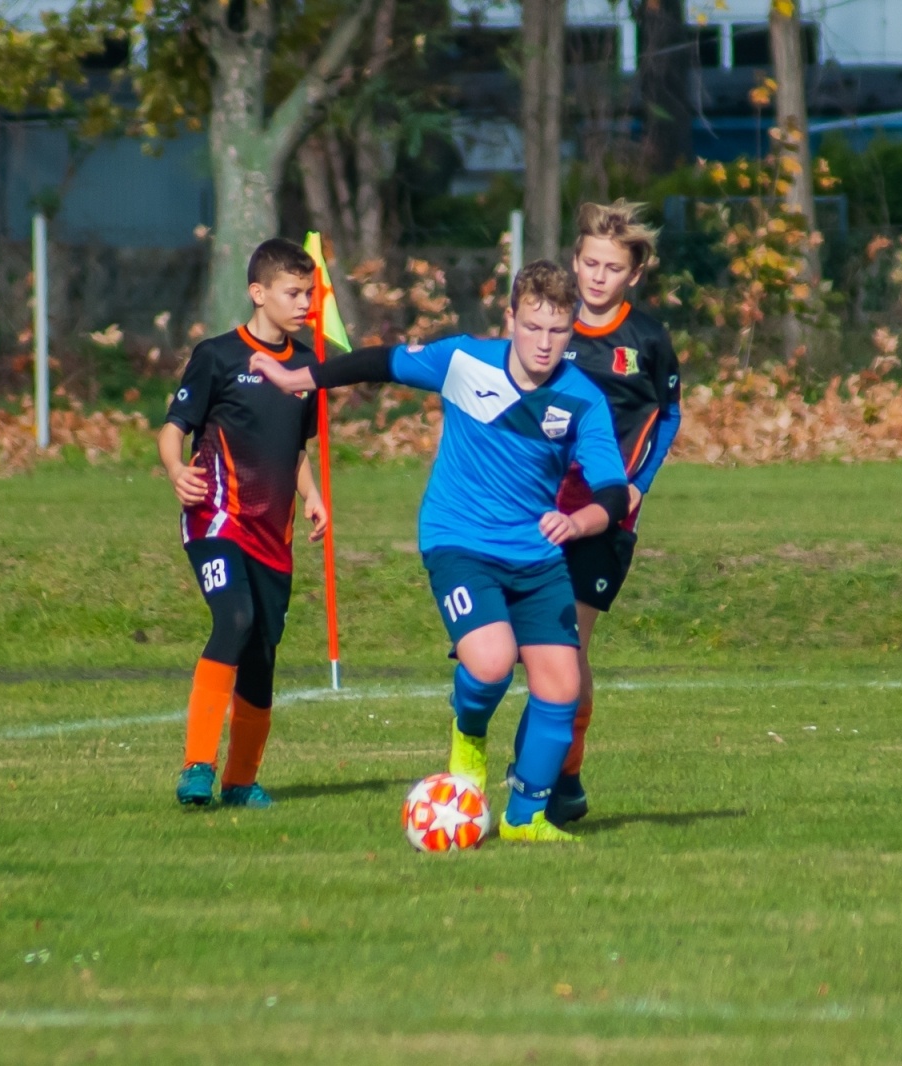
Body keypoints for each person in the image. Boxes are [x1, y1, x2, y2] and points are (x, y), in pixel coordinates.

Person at [250, 261, 628, 842]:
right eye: (533, 327)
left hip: (537, 552)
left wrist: (578, 522)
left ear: (572, 330)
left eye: (557, 331)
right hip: (459, 540)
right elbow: (383, 362)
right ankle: (468, 734)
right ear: (510, 319)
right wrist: (301, 379)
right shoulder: (464, 361)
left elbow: (610, 491)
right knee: (492, 661)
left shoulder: (583, 401)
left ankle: (526, 819)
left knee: (561, 685)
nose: (544, 343)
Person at [157, 238, 328, 808]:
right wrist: (175, 469)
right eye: (293, 292)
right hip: (216, 520)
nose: (304, 302)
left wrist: (313, 496)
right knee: (235, 618)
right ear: (258, 293)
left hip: (272, 537)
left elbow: (297, 451)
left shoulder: (306, 366)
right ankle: (197, 767)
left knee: (261, 655)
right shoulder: (217, 356)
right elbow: (173, 427)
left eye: (309, 292)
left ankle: (240, 781)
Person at [545, 199, 683, 827]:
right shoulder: (550, 327)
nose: (598, 277)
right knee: (526, 646)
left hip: (606, 516)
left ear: (633, 275)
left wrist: (640, 484)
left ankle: (564, 777)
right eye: (589, 263)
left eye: (612, 268)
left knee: (569, 647)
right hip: (538, 508)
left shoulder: (647, 339)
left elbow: (670, 414)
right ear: (575, 263)